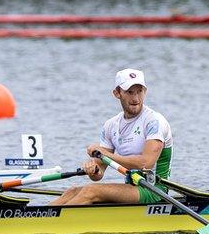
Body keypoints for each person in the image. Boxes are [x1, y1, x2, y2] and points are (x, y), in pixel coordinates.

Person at [50, 68, 172, 206]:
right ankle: (38, 219)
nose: (136, 98)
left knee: (91, 191)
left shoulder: (154, 121)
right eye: (129, 92)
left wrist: (105, 154)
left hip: (155, 191)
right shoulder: (111, 125)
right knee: (72, 191)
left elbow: (145, 164)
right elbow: (99, 173)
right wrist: (93, 169)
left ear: (145, 91)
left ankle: (49, 225)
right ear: (117, 93)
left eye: (140, 91)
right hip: (133, 188)